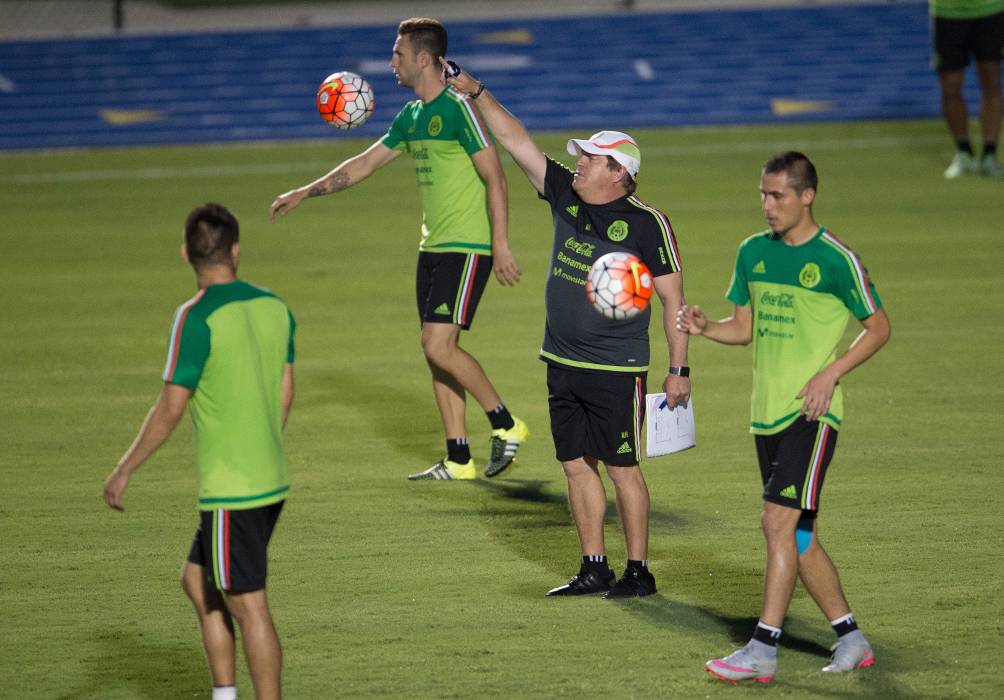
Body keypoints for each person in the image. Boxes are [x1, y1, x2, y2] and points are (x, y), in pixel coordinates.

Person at [441, 62, 691, 598]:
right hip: (561, 361)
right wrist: (476, 91)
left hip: (616, 369)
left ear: (619, 173)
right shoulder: (566, 195)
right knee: (575, 465)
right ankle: (593, 565)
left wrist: (678, 368)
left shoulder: (647, 223)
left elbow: (674, 298)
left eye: (590, 159)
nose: (577, 163)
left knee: (623, 468)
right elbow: (517, 142)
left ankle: (639, 572)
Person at [270, 17, 527, 481]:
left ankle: (506, 424)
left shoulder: (458, 109)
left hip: (467, 247)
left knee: (438, 344)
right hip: (432, 248)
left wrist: (500, 243)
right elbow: (365, 164)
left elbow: (497, 176)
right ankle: (459, 457)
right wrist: (305, 192)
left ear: (424, 59)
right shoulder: (410, 117)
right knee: (436, 350)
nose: (392, 63)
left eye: (398, 54)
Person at [676, 153, 891, 683]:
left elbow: (879, 326)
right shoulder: (753, 252)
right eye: (763, 196)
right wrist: (707, 328)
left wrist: (830, 374)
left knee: (776, 522)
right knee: (799, 538)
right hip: (765, 417)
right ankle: (852, 640)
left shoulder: (836, 259)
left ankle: (762, 650)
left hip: (812, 415)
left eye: (778, 196)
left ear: (807, 195)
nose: (767, 206)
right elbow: (743, 328)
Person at [104, 203, 295, 700]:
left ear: (186, 253)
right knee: (196, 579)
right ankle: (224, 694)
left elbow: (170, 407)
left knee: (248, 604)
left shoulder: (195, 317)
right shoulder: (274, 305)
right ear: (235, 249)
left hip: (234, 486)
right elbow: (284, 390)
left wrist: (124, 470)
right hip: (268, 476)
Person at [931, 0, 1004, 178]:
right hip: (946, 12)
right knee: (950, 86)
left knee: (991, 81)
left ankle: (989, 154)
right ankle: (964, 152)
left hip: (990, 8)